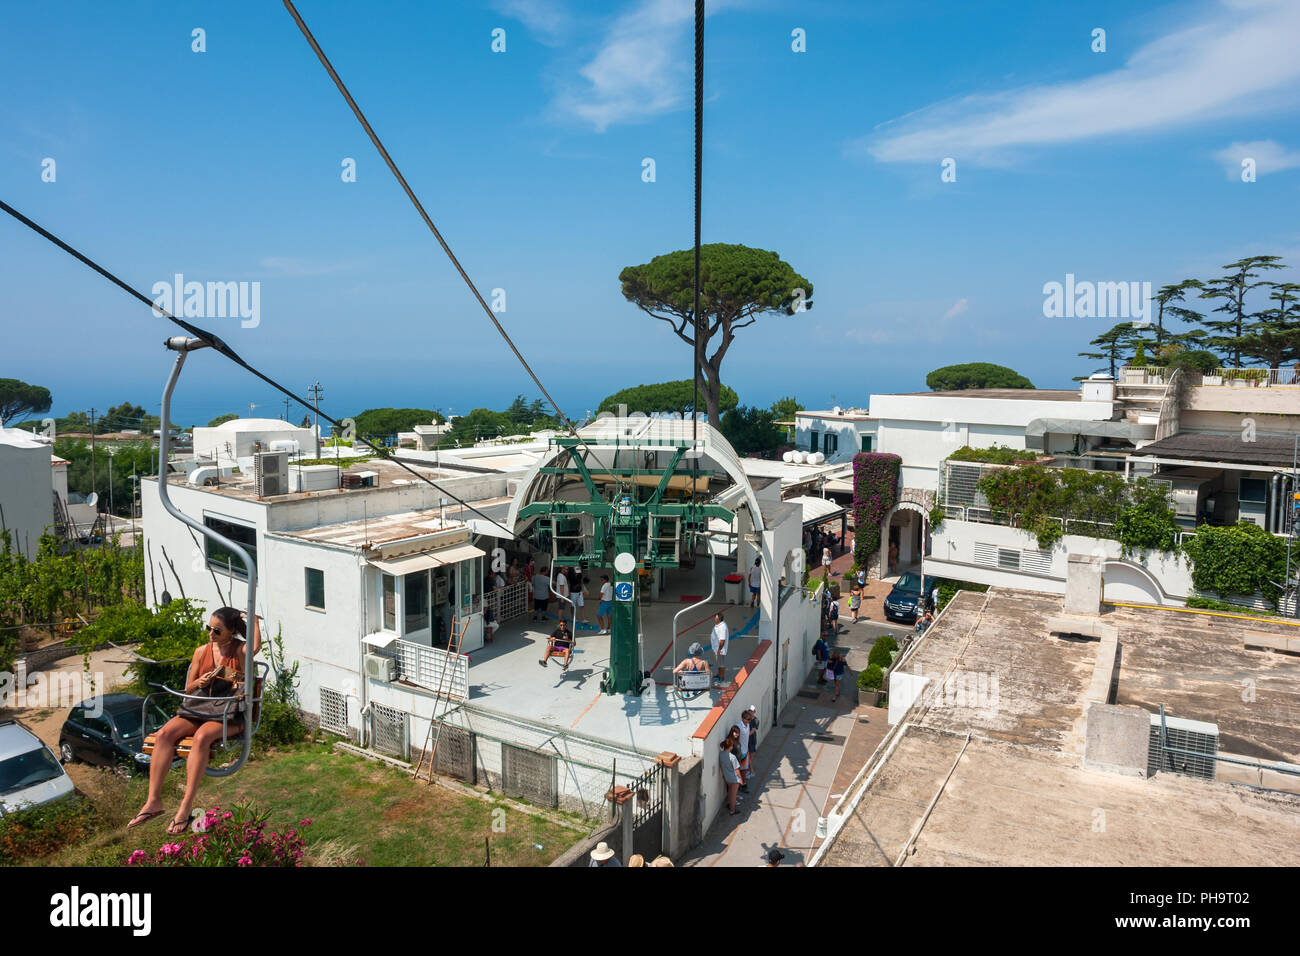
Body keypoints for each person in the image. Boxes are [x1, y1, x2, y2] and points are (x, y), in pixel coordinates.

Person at [128, 607, 262, 835]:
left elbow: (254, 649)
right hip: (199, 707)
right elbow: (188, 688)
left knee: (201, 738)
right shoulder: (201, 651)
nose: (211, 634)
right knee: (164, 735)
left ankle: (185, 806)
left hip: (227, 712)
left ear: (230, 631)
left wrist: (254, 622)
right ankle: (153, 801)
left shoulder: (239, 650)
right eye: (208, 628)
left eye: (217, 631)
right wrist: (201, 681)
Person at [719, 737, 742, 815]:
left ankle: (729, 805)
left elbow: (721, 766)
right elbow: (737, 770)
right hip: (734, 779)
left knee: (730, 792)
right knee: (733, 795)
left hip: (727, 777)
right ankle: (732, 810)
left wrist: (723, 775)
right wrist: (741, 779)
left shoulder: (721, 754)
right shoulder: (732, 757)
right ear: (730, 747)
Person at [710, 612, 729, 687]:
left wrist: (719, 650)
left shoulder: (722, 627)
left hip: (720, 649)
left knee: (721, 664)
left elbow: (722, 640)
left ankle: (721, 677)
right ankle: (718, 675)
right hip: (717, 649)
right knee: (719, 663)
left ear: (718, 619)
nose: (714, 618)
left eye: (715, 617)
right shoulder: (718, 625)